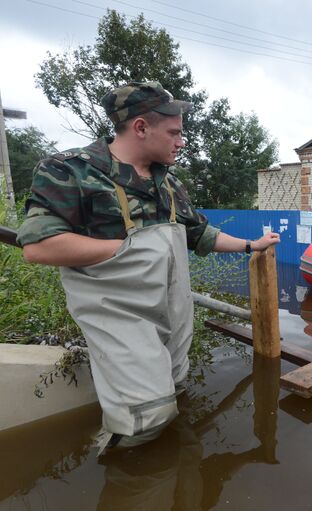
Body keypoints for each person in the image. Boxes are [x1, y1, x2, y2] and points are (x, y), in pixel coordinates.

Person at [16, 81, 280, 452]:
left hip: (171, 314)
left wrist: (252, 245)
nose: (181, 141)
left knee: (172, 393)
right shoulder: (71, 170)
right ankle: (127, 477)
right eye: (174, 132)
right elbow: (40, 246)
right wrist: (130, 249)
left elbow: (199, 234)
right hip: (119, 314)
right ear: (140, 127)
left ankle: (172, 480)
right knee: (144, 416)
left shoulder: (168, 182)